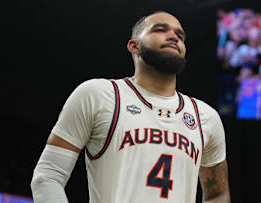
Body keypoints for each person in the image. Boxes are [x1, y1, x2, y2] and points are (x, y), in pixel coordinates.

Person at [30, 11, 230, 203]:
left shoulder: (206, 117)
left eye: (180, 35)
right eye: (160, 30)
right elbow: (48, 175)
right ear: (135, 46)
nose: (173, 37)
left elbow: (217, 195)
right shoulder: (98, 95)